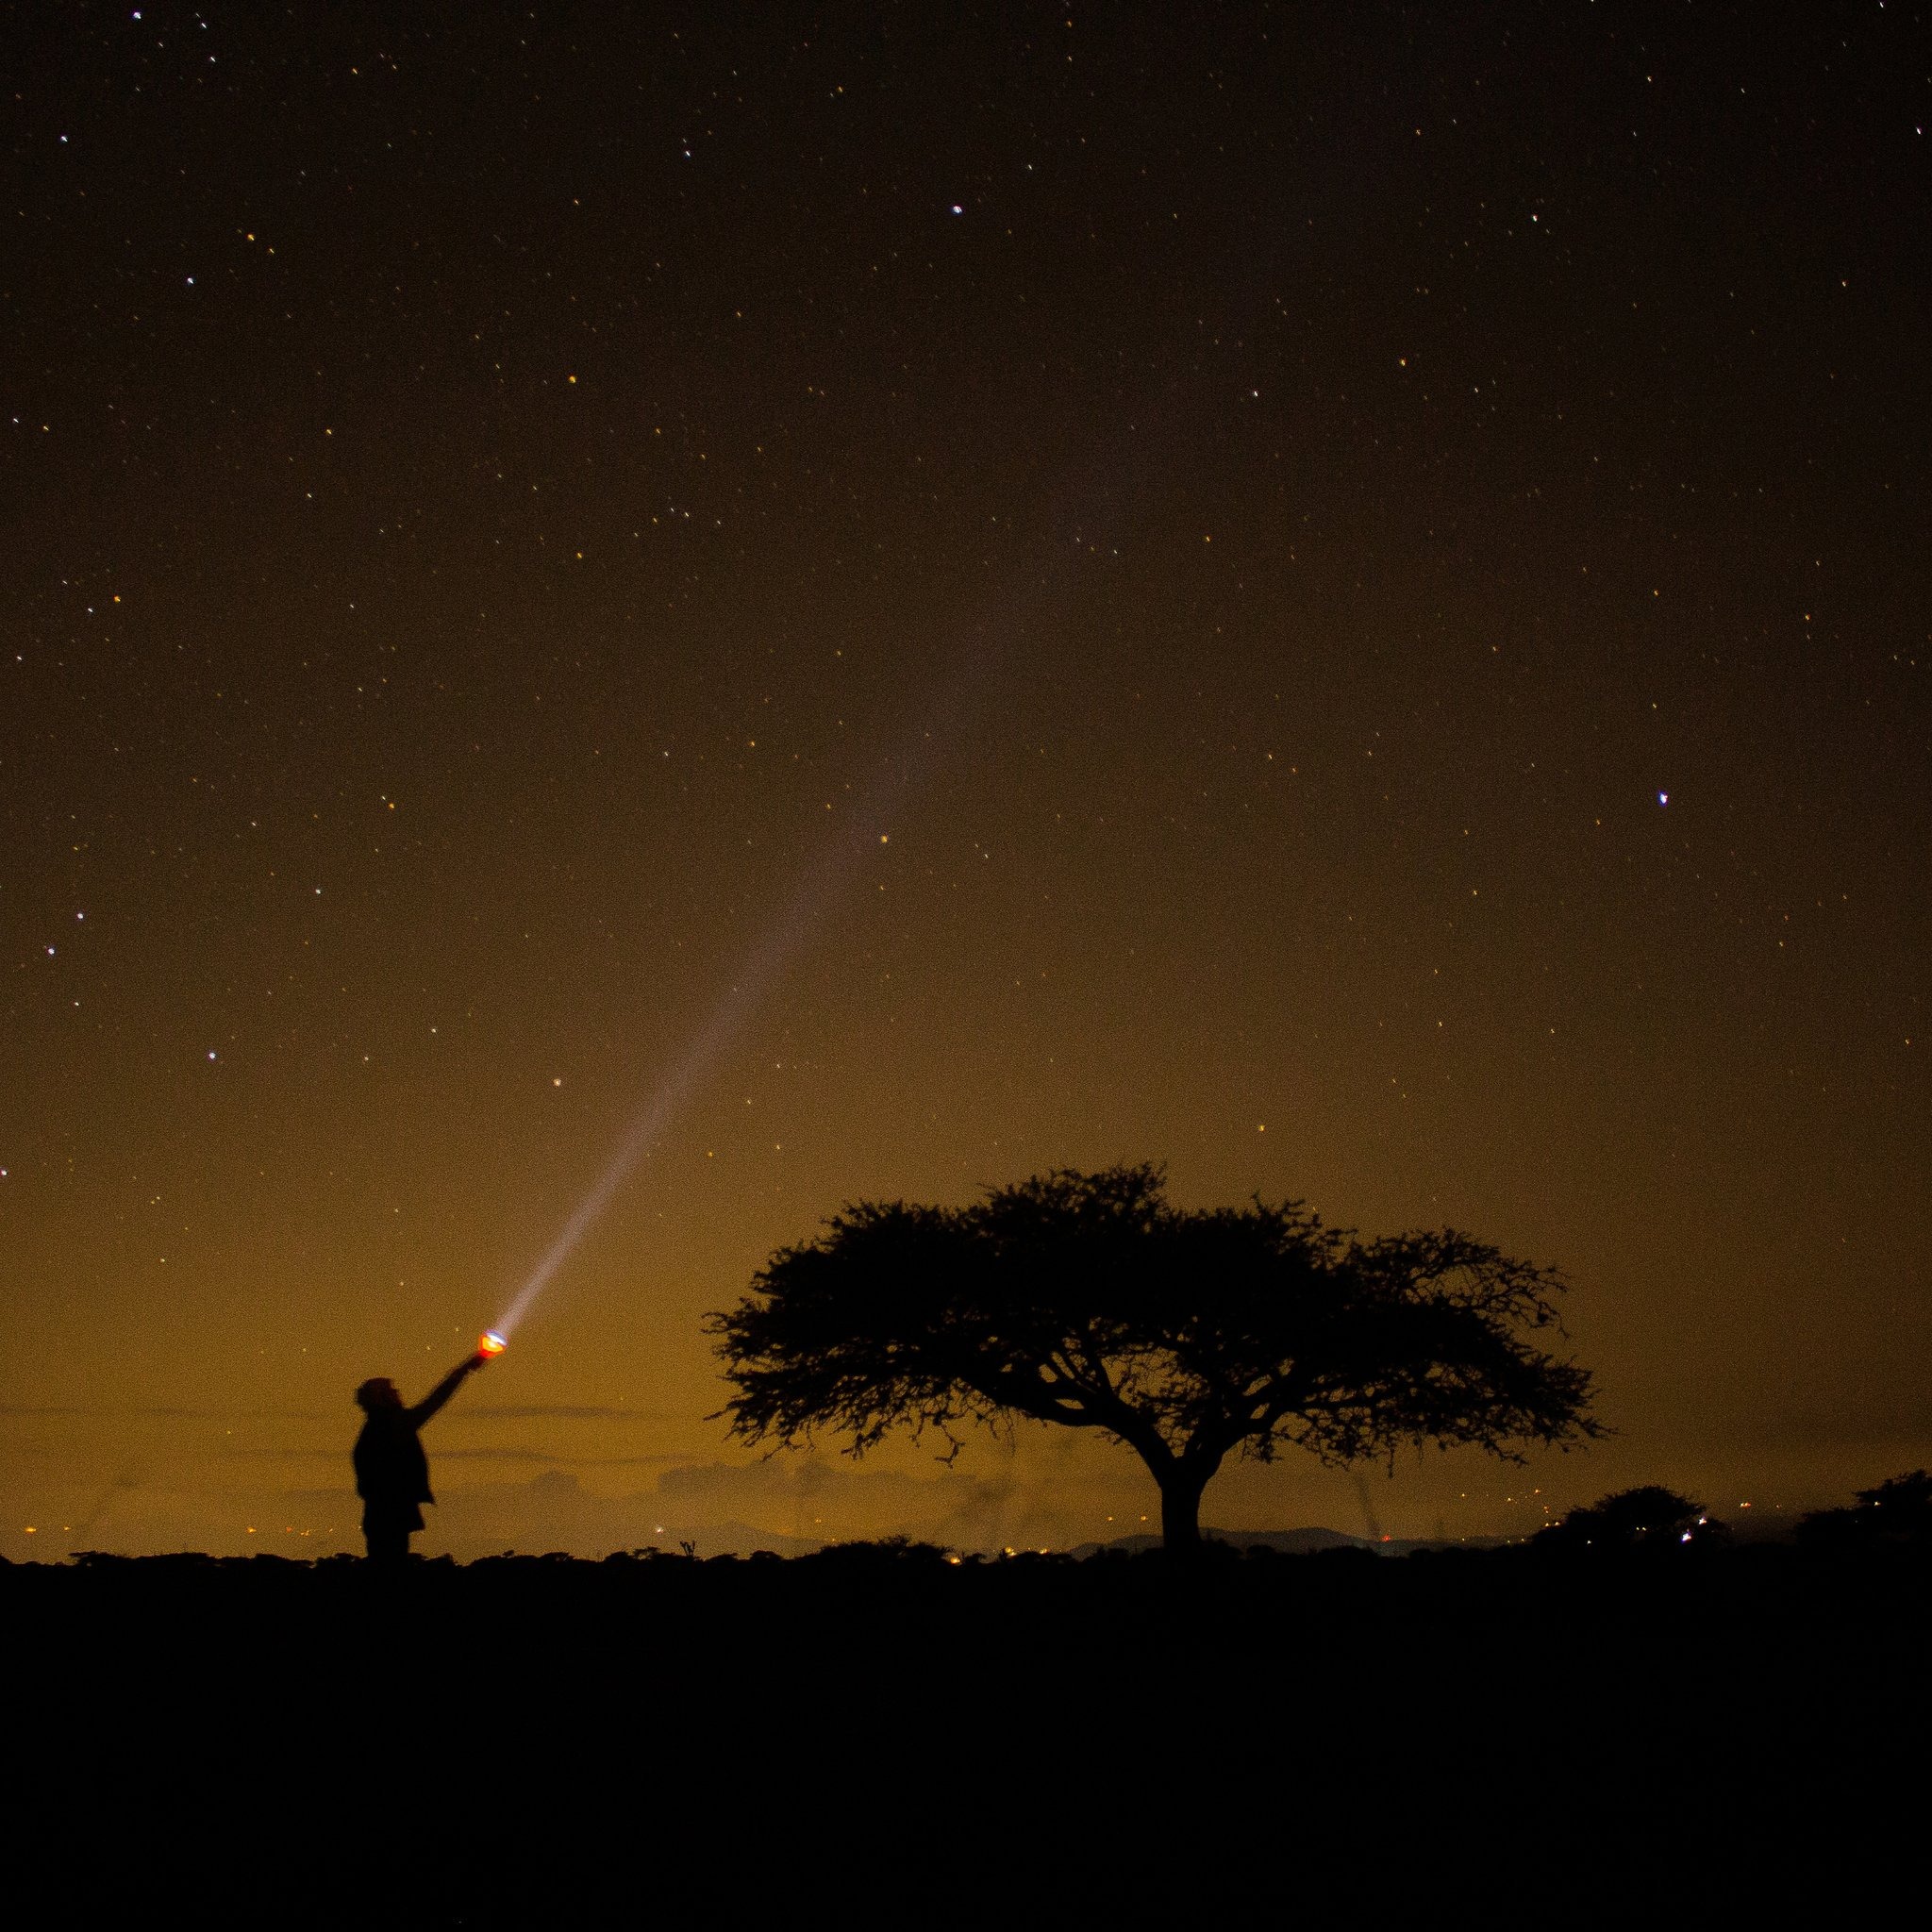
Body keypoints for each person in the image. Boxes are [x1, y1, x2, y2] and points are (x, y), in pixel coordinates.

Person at [353, 1345, 491, 1562]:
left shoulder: (374, 1429)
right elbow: (433, 1403)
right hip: (389, 1517)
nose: (397, 1393)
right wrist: (465, 1369)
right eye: (391, 1390)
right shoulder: (390, 1425)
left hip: (381, 1516)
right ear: (382, 1398)